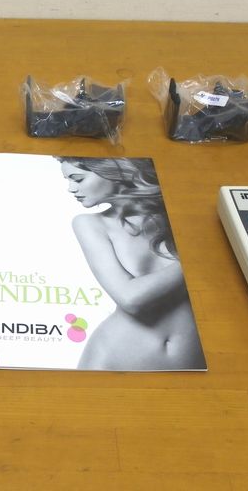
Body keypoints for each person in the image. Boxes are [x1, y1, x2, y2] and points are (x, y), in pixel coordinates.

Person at [58, 157, 205, 370]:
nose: (71, 189)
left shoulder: (178, 212)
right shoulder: (91, 224)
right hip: (115, 358)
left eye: (78, 179)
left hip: (191, 360)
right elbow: (130, 298)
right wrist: (198, 261)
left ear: (111, 170)